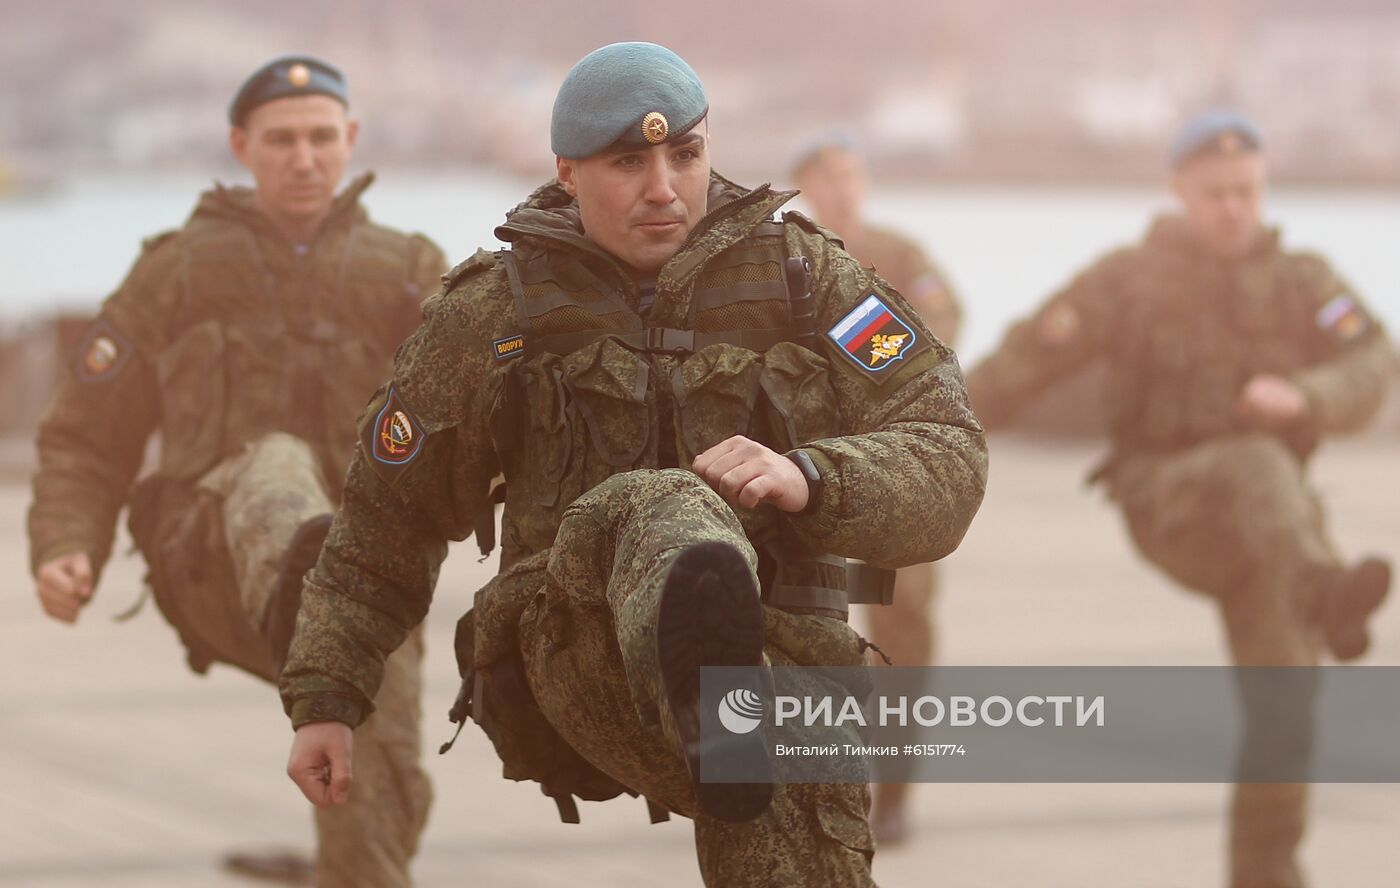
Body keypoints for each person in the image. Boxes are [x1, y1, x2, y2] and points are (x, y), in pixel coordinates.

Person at [279, 42, 987, 887]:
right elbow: (383, 523)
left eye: (684, 155)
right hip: (580, 653)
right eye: (628, 162)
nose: (664, 188)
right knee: (658, 504)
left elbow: (949, 447)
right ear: (568, 172)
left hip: (783, 664)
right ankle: (712, 681)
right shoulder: (497, 314)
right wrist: (328, 698)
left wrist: (815, 476)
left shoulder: (805, 279)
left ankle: (728, 707)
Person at [27, 55, 445, 888]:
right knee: (275, 462)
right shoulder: (177, 270)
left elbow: (485, 417)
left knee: (377, 784)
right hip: (210, 558)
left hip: (364, 578)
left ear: (350, 139)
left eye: (322, 138)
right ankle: (318, 618)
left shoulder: (407, 271)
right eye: (281, 140)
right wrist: (67, 544)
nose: (304, 158)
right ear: (240, 145)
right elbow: (86, 434)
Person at [965, 110, 1393, 888]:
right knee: (1258, 464)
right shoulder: (1130, 279)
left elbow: (1373, 355)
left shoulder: (1304, 281)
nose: (1234, 207)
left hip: (1276, 538)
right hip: (1172, 501)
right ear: (1180, 192)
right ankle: (1330, 593)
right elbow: (1023, 361)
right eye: (1217, 193)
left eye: (1247, 191)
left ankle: (1267, 877)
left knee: (1285, 713)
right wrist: (924, 430)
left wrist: (1306, 394)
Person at [792, 133, 965, 845]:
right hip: (807, 471)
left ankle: (893, 791)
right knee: (811, 627)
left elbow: (944, 317)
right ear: (803, 187)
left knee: (903, 626)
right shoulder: (783, 257)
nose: (844, 190)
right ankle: (827, 787)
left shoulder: (897, 252)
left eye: (854, 176)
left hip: (893, 465)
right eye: (829, 178)